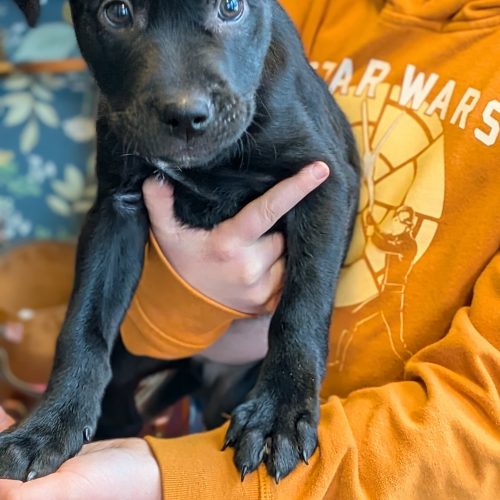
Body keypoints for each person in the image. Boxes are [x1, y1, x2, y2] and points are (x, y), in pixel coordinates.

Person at [1, 0, 499, 498]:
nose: (185, 99)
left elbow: (324, 183)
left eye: (229, 6)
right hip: (177, 370)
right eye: (119, 11)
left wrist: (289, 373)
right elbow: (120, 207)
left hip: (352, 457)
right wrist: (77, 393)